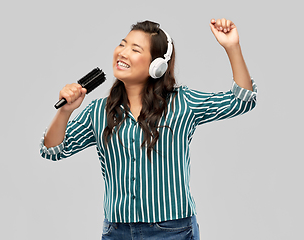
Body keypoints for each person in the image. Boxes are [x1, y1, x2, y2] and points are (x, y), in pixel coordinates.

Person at [40, 18, 257, 240]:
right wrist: (65, 111)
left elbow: (242, 101)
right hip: (117, 231)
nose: (123, 52)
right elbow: (52, 150)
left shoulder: (182, 103)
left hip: (172, 231)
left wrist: (232, 47)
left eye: (135, 49)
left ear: (157, 66)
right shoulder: (99, 111)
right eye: (122, 44)